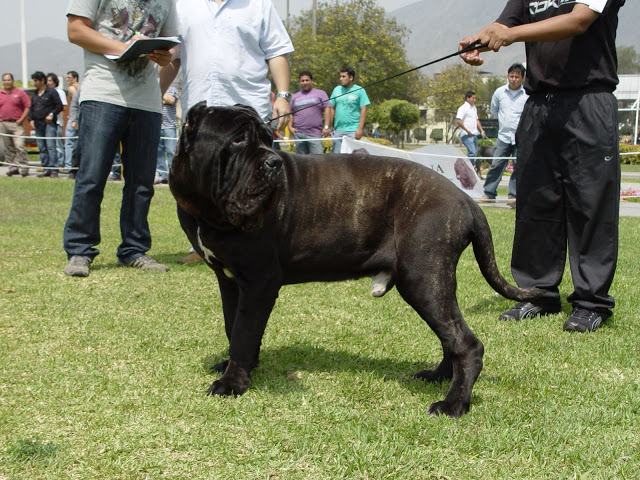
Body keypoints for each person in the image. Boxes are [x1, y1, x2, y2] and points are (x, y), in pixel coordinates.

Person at [459, 0, 624, 332]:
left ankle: (591, 302)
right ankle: (538, 293)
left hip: (589, 98)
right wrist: (481, 38)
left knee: (591, 204)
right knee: (535, 201)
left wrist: (507, 35)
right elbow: (507, 21)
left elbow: (579, 20)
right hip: (539, 104)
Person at [160, 0, 294, 265]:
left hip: (249, 110)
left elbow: (277, 53)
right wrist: (154, 93)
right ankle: (201, 246)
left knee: (256, 177)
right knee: (197, 180)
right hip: (202, 114)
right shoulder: (183, 7)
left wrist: (283, 96)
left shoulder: (259, 5)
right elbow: (173, 58)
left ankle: (261, 239)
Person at [62, 0, 179, 277]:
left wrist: (166, 55)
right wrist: (124, 48)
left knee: (141, 182)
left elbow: (173, 44)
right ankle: (80, 250)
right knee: (92, 176)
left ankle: (134, 249)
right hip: (103, 93)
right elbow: (76, 30)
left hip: (147, 100)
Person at [477, 63, 528, 206]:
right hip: (503, 137)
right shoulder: (499, 93)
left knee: (518, 167)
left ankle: (514, 196)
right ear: (508, 76)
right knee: (496, 164)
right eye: (511, 76)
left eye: (517, 77)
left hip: (520, 138)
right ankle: (489, 193)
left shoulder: (527, 94)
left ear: (522, 78)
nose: (513, 79)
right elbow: (494, 111)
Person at [29, 71, 63, 178]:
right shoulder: (34, 94)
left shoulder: (52, 92)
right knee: (41, 147)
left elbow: (59, 106)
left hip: (49, 124)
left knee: (51, 146)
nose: (34, 83)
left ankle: (54, 169)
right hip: (38, 124)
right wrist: (30, 120)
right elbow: (32, 108)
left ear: (42, 81)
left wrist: (52, 114)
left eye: (35, 81)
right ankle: (46, 168)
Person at [329, 67, 370, 153]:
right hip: (338, 130)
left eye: (343, 76)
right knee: (336, 158)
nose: (341, 79)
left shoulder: (360, 90)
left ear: (351, 78)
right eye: (340, 76)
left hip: (353, 130)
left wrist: (360, 129)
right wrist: (330, 125)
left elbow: (364, 109)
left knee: (353, 159)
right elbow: (331, 108)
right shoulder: (336, 90)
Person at [289, 71, 331, 155]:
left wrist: (326, 126)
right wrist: (290, 127)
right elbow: (291, 113)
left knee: (319, 160)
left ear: (312, 81)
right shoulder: (295, 96)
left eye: (307, 80)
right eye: (302, 81)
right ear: (299, 82)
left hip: (315, 134)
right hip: (299, 133)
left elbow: (327, 109)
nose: (305, 83)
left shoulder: (321, 93)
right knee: (301, 162)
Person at [0, 73, 31, 177]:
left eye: (8, 80)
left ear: (12, 81)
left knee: (20, 146)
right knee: (7, 148)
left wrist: (21, 119)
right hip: (3, 123)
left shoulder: (20, 93)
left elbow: (27, 107)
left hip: (16, 124)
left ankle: (24, 168)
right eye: (5, 80)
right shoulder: (1, 93)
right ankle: (12, 168)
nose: (7, 82)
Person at [456, 91, 486, 177]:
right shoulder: (463, 108)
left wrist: (481, 130)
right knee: (472, 153)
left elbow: (477, 120)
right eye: (473, 98)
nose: (474, 100)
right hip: (466, 134)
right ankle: (459, 165)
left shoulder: (474, 108)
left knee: (475, 154)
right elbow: (458, 120)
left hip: (474, 134)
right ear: (467, 98)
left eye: (475, 98)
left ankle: (466, 169)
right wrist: (467, 130)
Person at [155, 84, 179, 184]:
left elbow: (171, 100)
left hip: (170, 126)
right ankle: (162, 175)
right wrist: (163, 97)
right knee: (158, 152)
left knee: (171, 152)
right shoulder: (155, 88)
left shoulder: (172, 89)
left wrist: (159, 93)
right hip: (157, 126)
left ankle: (172, 175)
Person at [47, 73, 68, 169]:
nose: (48, 83)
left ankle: (61, 162)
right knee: (50, 145)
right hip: (48, 123)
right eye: (47, 80)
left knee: (58, 144)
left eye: (50, 80)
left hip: (58, 121)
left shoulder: (60, 92)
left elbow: (63, 107)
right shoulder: (46, 92)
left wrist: (52, 112)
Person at [64, 71, 81, 175]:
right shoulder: (81, 86)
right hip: (80, 117)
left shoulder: (72, 88)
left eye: (69, 77)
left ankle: (69, 165)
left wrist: (73, 117)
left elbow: (76, 102)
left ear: (74, 78)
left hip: (74, 118)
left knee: (69, 142)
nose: (67, 79)